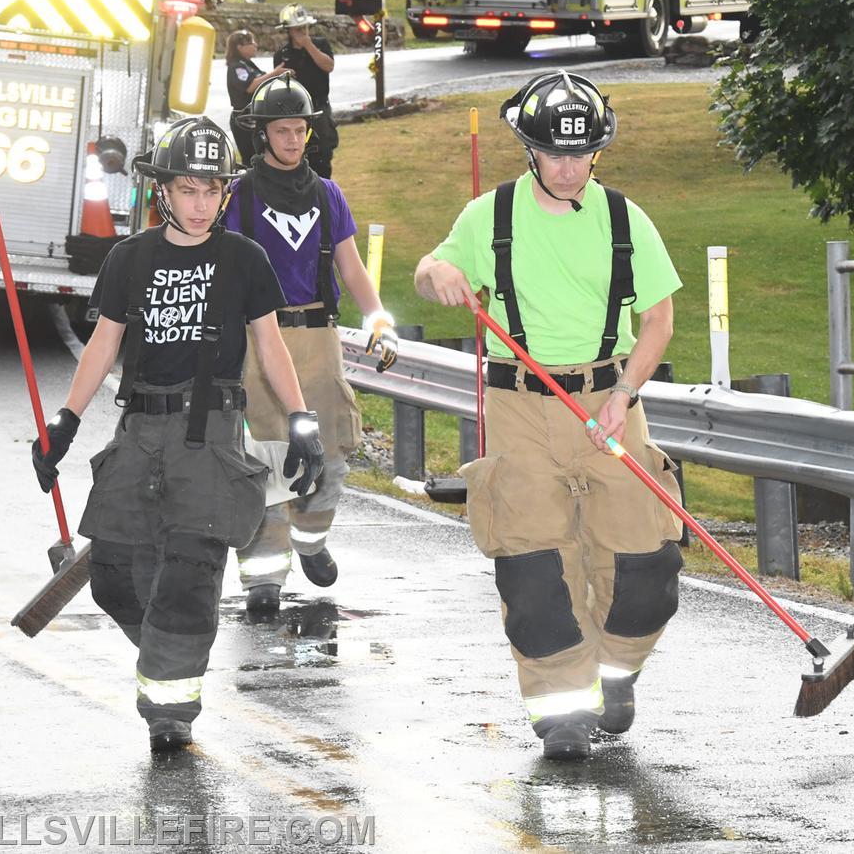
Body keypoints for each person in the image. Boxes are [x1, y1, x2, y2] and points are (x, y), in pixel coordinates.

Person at [31, 117, 324, 754]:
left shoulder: (245, 259)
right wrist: (66, 422)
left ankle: (171, 706)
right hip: (138, 430)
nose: (201, 203)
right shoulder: (129, 258)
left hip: (213, 435)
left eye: (212, 190)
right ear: (163, 189)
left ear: (226, 192)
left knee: (190, 573)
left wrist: (302, 420)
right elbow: (103, 344)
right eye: (188, 189)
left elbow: (270, 346)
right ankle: (175, 649)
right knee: (112, 575)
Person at [414, 71, 684, 761]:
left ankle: (614, 671)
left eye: (582, 152)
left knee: (646, 566)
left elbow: (658, 319)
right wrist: (435, 272)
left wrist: (622, 396)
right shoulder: (489, 217)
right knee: (535, 568)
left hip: (610, 404)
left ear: (599, 150)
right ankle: (562, 707)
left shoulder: (627, 219)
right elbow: (432, 270)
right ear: (529, 148)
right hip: (520, 408)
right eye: (554, 153)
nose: (569, 166)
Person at [224, 75, 398, 619]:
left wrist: (378, 318)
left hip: (319, 335)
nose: (294, 139)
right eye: (283, 130)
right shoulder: (239, 194)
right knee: (264, 454)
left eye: (301, 129)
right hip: (258, 337)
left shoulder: (328, 194)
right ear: (262, 134)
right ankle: (263, 578)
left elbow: (350, 265)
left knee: (331, 447)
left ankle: (312, 540)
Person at [273, 4, 337, 178]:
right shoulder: (283, 54)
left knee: (322, 153)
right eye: (298, 29)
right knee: (295, 154)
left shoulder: (320, 44)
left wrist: (308, 45)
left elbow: (328, 65)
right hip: (294, 112)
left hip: (319, 107)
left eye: (305, 28)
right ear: (289, 31)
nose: (302, 32)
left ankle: (324, 191)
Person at [225, 29, 292, 164]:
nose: (255, 45)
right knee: (251, 159)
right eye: (251, 42)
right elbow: (249, 87)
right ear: (239, 47)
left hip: (256, 116)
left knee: (263, 156)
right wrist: (274, 73)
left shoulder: (248, 65)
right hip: (244, 119)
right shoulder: (237, 66)